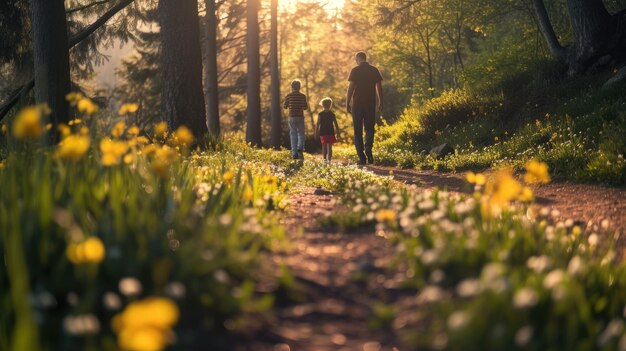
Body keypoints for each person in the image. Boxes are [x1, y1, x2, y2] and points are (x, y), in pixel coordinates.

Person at [346, 51, 383, 165]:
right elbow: (379, 87)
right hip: (370, 104)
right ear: (365, 58)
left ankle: (362, 157)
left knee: (358, 130)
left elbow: (351, 88)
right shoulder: (374, 70)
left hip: (357, 104)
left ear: (358, 59)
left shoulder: (355, 70)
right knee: (369, 128)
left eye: (356, 60)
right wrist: (381, 101)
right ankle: (368, 149)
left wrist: (347, 103)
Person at [283, 79, 309, 159]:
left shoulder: (288, 96)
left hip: (291, 117)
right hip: (300, 117)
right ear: (299, 87)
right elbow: (305, 107)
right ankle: (300, 147)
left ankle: (294, 153)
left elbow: (285, 106)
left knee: (293, 134)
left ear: (292, 87)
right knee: (301, 133)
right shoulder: (303, 96)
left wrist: (288, 105)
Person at [315, 97, 340, 164]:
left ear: (322, 105)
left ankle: (324, 159)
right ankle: (329, 160)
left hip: (322, 132)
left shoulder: (320, 114)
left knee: (324, 146)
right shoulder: (332, 114)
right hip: (330, 132)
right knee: (329, 146)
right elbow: (336, 124)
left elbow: (318, 124)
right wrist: (338, 133)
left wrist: (316, 132)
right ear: (330, 105)